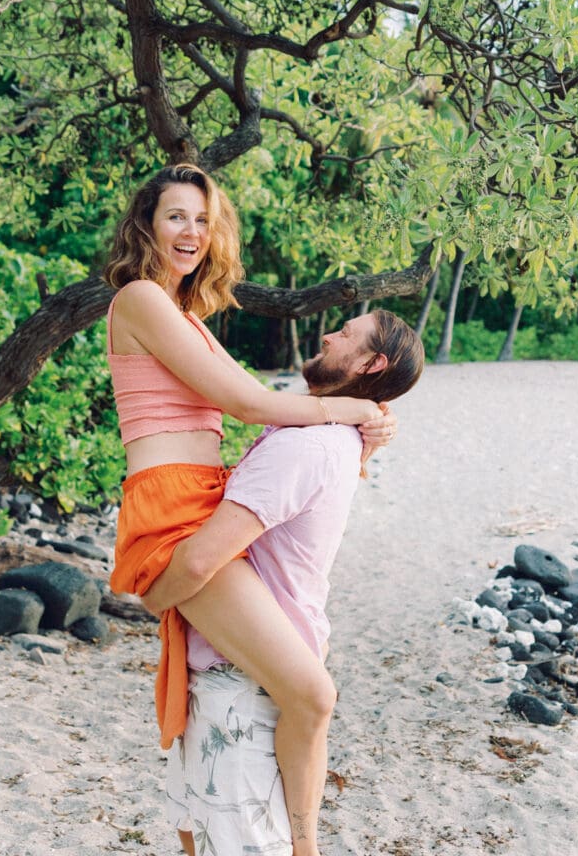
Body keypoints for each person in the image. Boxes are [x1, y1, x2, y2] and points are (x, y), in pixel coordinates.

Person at [103, 163, 398, 856]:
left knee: (302, 684)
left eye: (204, 221)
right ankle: (306, 847)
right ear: (147, 223)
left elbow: (274, 443)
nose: (192, 233)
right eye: (177, 216)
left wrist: (363, 437)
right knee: (311, 692)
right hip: (171, 507)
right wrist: (352, 406)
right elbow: (246, 404)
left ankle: (298, 842)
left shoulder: (186, 314)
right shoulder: (140, 298)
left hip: (199, 494)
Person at [142, 309, 424, 856]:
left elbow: (202, 561)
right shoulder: (330, 436)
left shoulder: (306, 446)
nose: (327, 334)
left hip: (243, 687)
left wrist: (151, 595)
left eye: (345, 333)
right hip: (247, 671)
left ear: (371, 362)